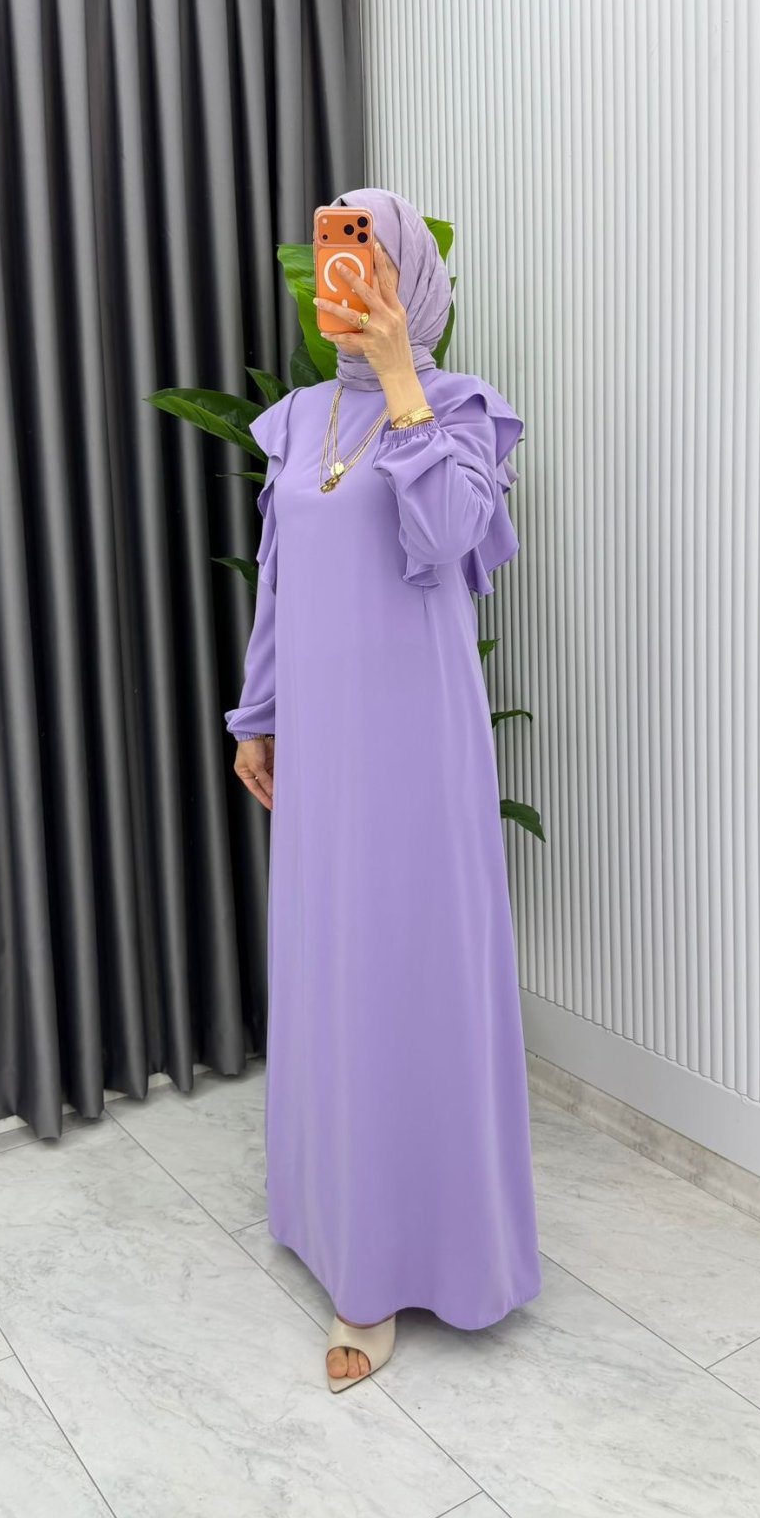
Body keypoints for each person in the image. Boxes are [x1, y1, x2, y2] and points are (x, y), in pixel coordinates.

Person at [225, 187, 542, 1393]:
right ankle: (336, 1218)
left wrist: (403, 376)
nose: (340, 272)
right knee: (335, 973)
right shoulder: (298, 421)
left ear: (406, 276)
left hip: (417, 745)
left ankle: (421, 1258)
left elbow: (451, 537)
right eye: (330, 248)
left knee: (416, 976)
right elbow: (279, 582)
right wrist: (258, 713)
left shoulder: (459, 410)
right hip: (325, 746)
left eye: (365, 252)